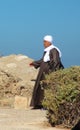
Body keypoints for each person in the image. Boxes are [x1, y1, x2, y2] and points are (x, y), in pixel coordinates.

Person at [29, 35, 64, 109]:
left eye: (45, 42)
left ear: (49, 42)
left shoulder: (54, 50)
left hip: (48, 73)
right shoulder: (47, 51)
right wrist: (34, 63)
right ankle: (39, 104)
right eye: (43, 41)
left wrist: (52, 73)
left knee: (46, 89)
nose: (43, 43)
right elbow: (43, 60)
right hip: (43, 73)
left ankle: (46, 105)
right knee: (40, 88)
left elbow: (56, 62)